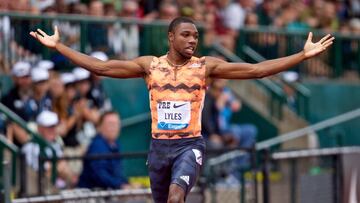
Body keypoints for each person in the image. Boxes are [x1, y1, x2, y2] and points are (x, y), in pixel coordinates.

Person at [30, 16, 334, 203]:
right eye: (186, 35)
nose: (192, 40)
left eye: (196, 36)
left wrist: (302, 56)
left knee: (177, 196)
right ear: (171, 37)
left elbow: (257, 70)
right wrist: (59, 47)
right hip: (158, 148)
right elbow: (101, 66)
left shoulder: (205, 67)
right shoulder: (150, 66)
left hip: (189, 145)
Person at [77, 111, 130, 189]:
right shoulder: (97, 145)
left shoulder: (116, 144)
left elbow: (117, 173)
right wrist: (121, 185)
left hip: (108, 191)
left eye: (117, 124)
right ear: (100, 127)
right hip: (92, 193)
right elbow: (100, 175)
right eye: (110, 124)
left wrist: (127, 183)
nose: (114, 127)